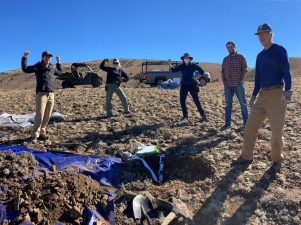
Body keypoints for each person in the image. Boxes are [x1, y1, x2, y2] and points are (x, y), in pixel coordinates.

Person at [232, 23, 293, 166]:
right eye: (259, 35)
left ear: (271, 35)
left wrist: (288, 92)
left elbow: (287, 71)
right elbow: (258, 79)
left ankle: (277, 158)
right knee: (250, 126)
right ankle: (246, 156)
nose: (261, 37)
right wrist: (253, 96)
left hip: (276, 93)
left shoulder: (279, 50)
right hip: (262, 94)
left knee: (276, 129)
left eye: (264, 34)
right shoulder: (260, 56)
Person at [21, 51, 62, 143]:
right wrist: (25, 57)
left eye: (50, 57)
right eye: (47, 56)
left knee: (47, 116)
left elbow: (59, 73)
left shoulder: (52, 67)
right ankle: (34, 135)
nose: (49, 58)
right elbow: (25, 69)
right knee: (40, 115)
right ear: (43, 57)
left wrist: (58, 62)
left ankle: (42, 132)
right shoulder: (38, 66)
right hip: (41, 94)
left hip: (51, 94)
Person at [169, 53, 208, 122]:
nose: (186, 59)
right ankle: (185, 116)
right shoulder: (181, 66)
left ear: (190, 59)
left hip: (192, 85)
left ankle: (203, 115)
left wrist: (196, 78)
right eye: (185, 58)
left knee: (196, 100)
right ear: (183, 59)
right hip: (184, 85)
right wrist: (170, 64)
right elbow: (173, 70)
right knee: (182, 100)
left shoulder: (193, 65)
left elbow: (202, 71)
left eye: (187, 58)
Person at [221, 41, 249, 129]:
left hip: (238, 85)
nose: (229, 49)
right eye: (228, 48)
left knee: (243, 104)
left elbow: (245, 70)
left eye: (231, 47)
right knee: (228, 105)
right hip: (228, 85)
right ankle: (228, 123)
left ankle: (247, 123)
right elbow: (222, 71)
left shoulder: (241, 57)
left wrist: (241, 81)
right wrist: (224, 82)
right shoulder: (225, 59)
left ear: (234, 47)